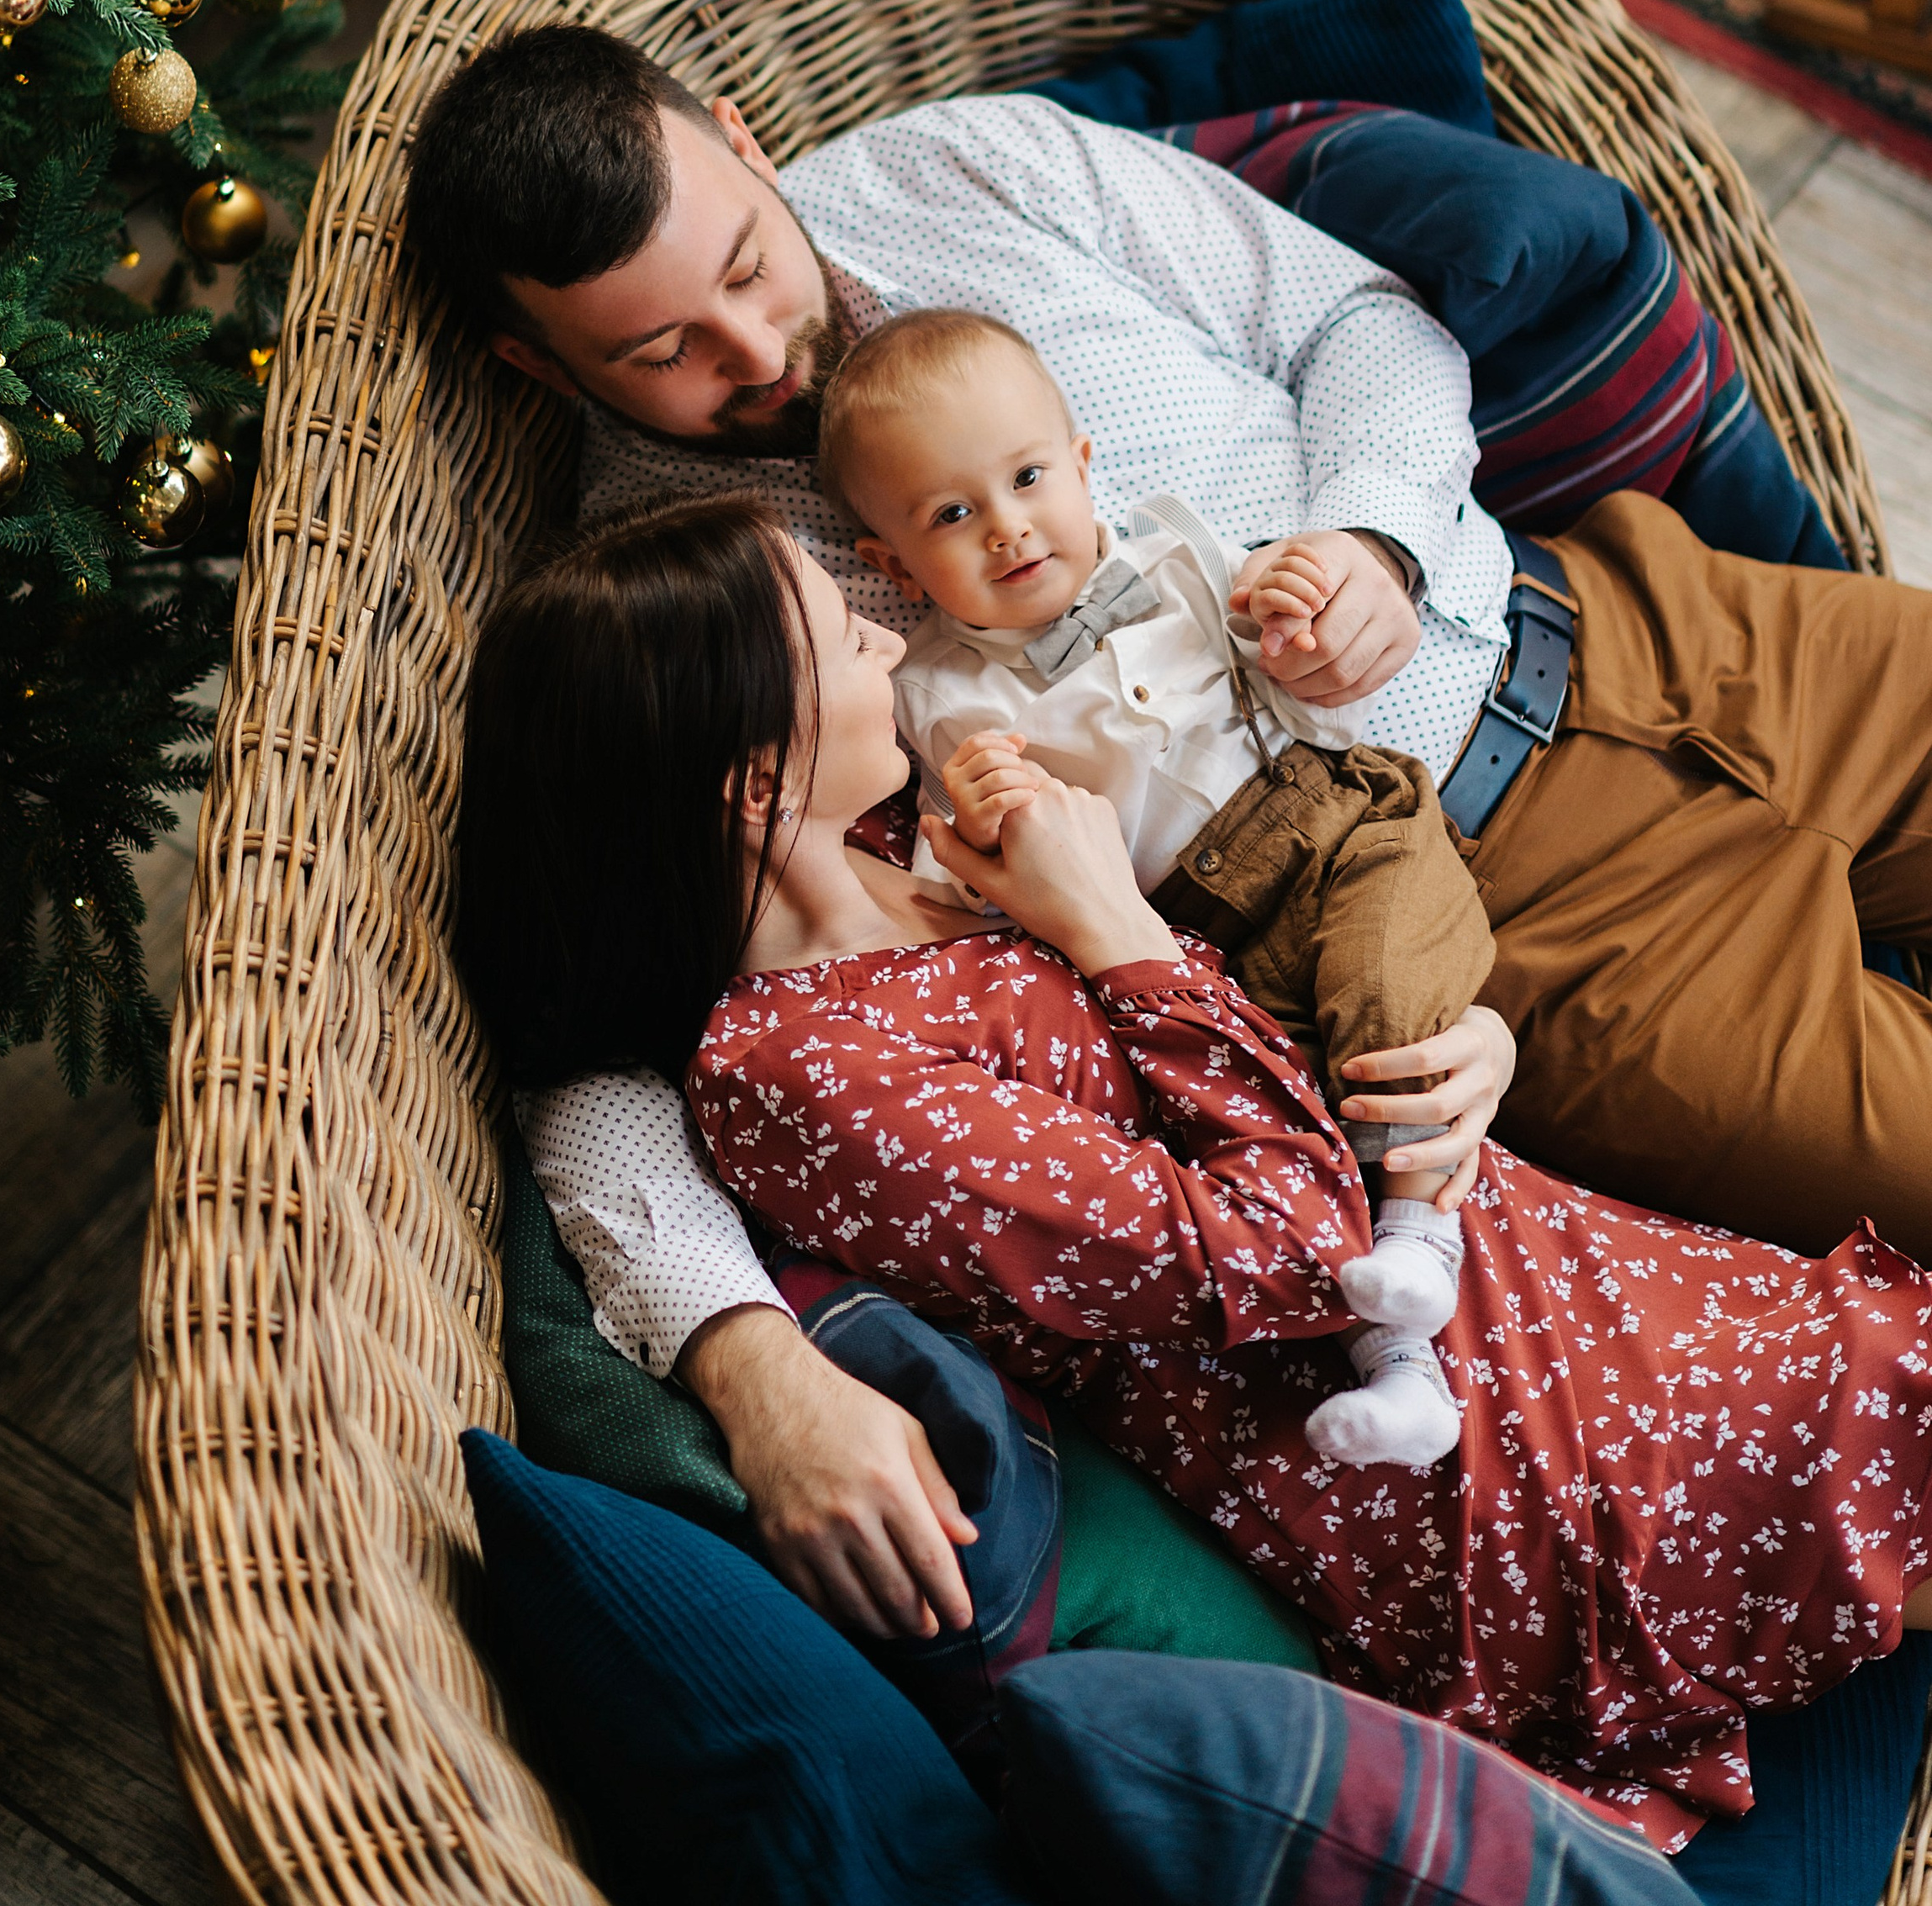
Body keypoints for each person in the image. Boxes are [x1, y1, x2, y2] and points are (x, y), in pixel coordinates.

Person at [403, 19, 1932, 1646]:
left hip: (1627, 618)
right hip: (1524, 947)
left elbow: (1358, 322)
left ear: (743, 138)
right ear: (538, 368)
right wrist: (748, 1361)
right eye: (664, 352)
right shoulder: (683, 601)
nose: (758, 346)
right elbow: (602, 1034)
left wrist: (1377, 540)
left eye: (747, 263)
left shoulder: (963, 164)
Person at [453, 496, 1932, 1856]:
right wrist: (1118, 933)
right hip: (1476, 1447)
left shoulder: (920, 841)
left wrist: (1450, 1023)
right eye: (842, 637)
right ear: (750, 778)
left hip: (1549, 1273)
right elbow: (1296, 1257)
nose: (891, 639)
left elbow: (1279, 1029)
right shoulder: (807, 1081)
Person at [818, 303, 1494, 1466]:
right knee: (1290, 1107)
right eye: (952, 515)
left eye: (1030, 477)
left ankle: (1422, 1239)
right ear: (892, 567)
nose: (1010, 528)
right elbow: (968, 889)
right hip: (1199, 933)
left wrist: (1290, 615)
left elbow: (1315, 693)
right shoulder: (930, 698)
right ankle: (1400, 1362)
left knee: (1385, 1004)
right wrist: (979, 819)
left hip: (1332, 822)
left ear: (1084, 466)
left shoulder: (1180, 552)